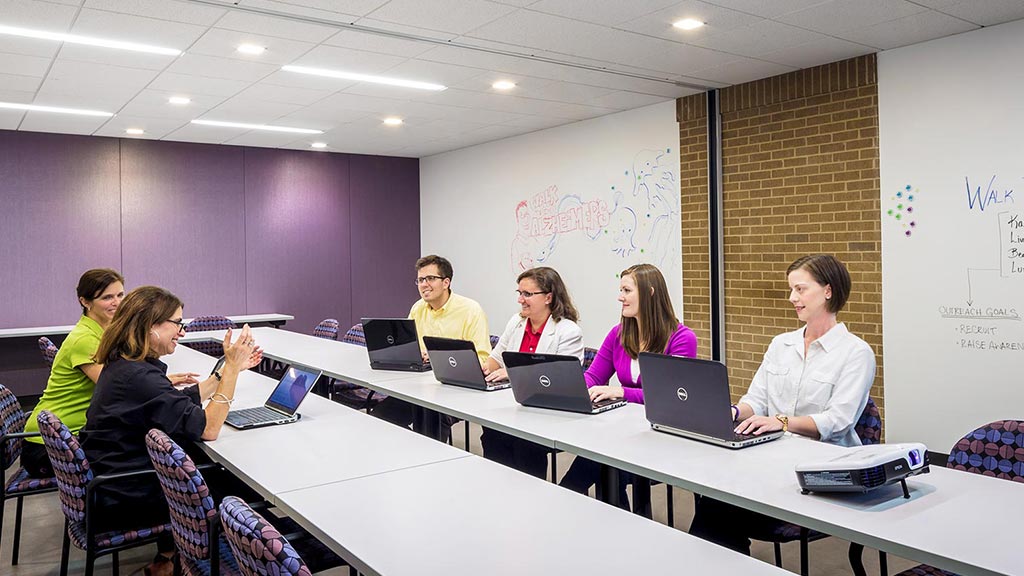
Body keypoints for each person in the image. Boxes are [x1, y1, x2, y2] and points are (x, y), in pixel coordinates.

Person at [688, 254, 876, 555]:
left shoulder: (856, 353)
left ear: (828, 290)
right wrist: (733, 412)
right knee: (717, 496)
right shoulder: (781, 345)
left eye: (800, 289)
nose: (792, 298)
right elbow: (756, 400)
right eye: (792, 290)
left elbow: (838, 421)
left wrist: (783, 421)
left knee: (721, 506)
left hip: (823, 470)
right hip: (770, 460)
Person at [78, 286, 262, 576]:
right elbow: (209, 427)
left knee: (214, 471)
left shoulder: (126, 365)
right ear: (151, 326)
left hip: (112, 480)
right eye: (178, 323)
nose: (182, 332)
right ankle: (231, 563)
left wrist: (222, 373)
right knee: (241, 486)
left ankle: (169, 558)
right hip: (127, 494)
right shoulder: (139, 377)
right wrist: (233, 373)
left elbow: (170, 405)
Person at [22, 269, 198, 478]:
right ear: (85, 302)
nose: (117, 302)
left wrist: (159, 380)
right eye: (107, 297)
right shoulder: (84, 339)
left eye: (120, 295)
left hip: (70, 434)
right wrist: (158, 381)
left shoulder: (105, 332)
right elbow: (117, 383)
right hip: (50, 445)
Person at [559, 263, 697, 507]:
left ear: (650, 292)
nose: (619, 297)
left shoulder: (682, 338)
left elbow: (668, 397)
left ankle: (562, 499)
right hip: (624, 431)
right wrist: (569, 388)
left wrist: (621, 392)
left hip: (663, 436)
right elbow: (593, 377)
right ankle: (584, 508)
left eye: (626, 290)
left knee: (600, 460)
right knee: (600, 457)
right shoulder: (619, 333)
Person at [370, 255, 490, 442]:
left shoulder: (470, 310)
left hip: (455, 391)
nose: (424, 284)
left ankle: (430, 460)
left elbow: (483, 359)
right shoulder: (418, 308)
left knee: (430, 418)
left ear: (446, 282)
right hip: (420, 387)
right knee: (380, 418)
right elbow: (408, 347)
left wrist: (438, 359)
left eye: (430, 279)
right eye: (420, 280)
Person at [480, 267, 584, 479]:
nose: (521, 300)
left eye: (527, 294)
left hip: (551, 412)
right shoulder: (516, 322)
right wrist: (481, 368)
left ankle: (530, 496)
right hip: (517, 405)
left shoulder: (568, 331)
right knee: (491, 433)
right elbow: (497, 357)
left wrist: (511, 373)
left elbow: (560, 380)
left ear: (548, 297)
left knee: (524, 444)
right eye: (519, 293)